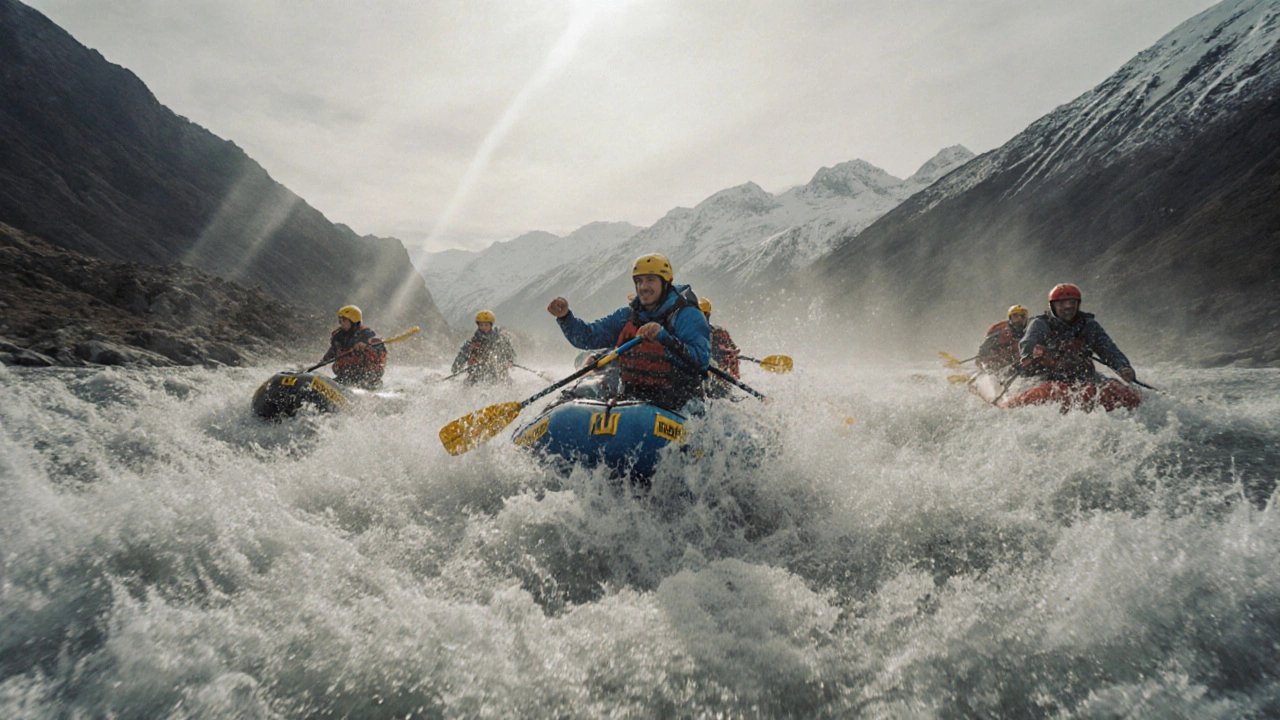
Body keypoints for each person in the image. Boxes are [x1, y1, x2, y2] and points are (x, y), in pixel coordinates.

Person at [547, 253, 710, 411]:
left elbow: (700, 362)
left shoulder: (687, 315)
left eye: (650, 280)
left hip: (677, 401)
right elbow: (588, 337)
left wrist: (663, 337)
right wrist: (565, 318)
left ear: (666, 282)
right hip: (634, 396)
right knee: (585, 389)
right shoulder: (627, 316)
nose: (643, 287)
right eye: (639, 281)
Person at [1010, 283, 1139, 410]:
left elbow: (1108, 349)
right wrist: (1030, 357)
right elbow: (1027, 345)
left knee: (1125, 395)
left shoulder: (1089, 325)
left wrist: (1123, 366)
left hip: (1084, 375)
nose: (1068, 306)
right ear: (1052, 306)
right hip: (1047, 376)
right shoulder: (1039, 324)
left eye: (1072, 302)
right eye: (1062, 303)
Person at [322, 305, 386, 389]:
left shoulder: (366, 333)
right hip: (347, 376)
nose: (342, 323)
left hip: (368, 376)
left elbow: (379, 345)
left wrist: (365, 344)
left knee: (365, 383)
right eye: (340, 321)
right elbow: (333, 350)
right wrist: (324, 360)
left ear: (353, 321)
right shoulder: (338, 336)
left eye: (344, 320)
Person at [451, 310, 517, 384]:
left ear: (491, 325)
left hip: (497, 373)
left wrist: (509, 361)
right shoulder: (472, 342)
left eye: (486, 325)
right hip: (476, 375)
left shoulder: (500, 339)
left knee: (508, 383)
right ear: (478, 326)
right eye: (481, 325)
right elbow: (459, 360)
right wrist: (458, 366)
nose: (483, 327)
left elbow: (511, 353)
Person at [699, 297, 740, 398]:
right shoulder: (685, 331)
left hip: (719, 379)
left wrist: (729, 355)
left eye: (703, 315)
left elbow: (733, 353)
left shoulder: (720, 333)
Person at [976, 304, 1029, 372]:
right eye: (1015, 316)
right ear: (1010, 318)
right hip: (998, 365)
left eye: (1022, 316)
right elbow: (983, 350)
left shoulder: (1031, 331)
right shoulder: (1000, 333)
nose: (1019, 319)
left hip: (1018, 365)